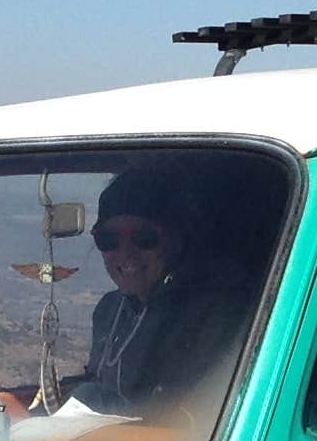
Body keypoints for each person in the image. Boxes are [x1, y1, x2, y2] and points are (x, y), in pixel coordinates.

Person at [68, 163, 249, 418]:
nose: (125, 253)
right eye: (108, 239)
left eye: (144, 238)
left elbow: (179, 421)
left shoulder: (213, 317)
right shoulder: (109, 310)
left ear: (176, 239)